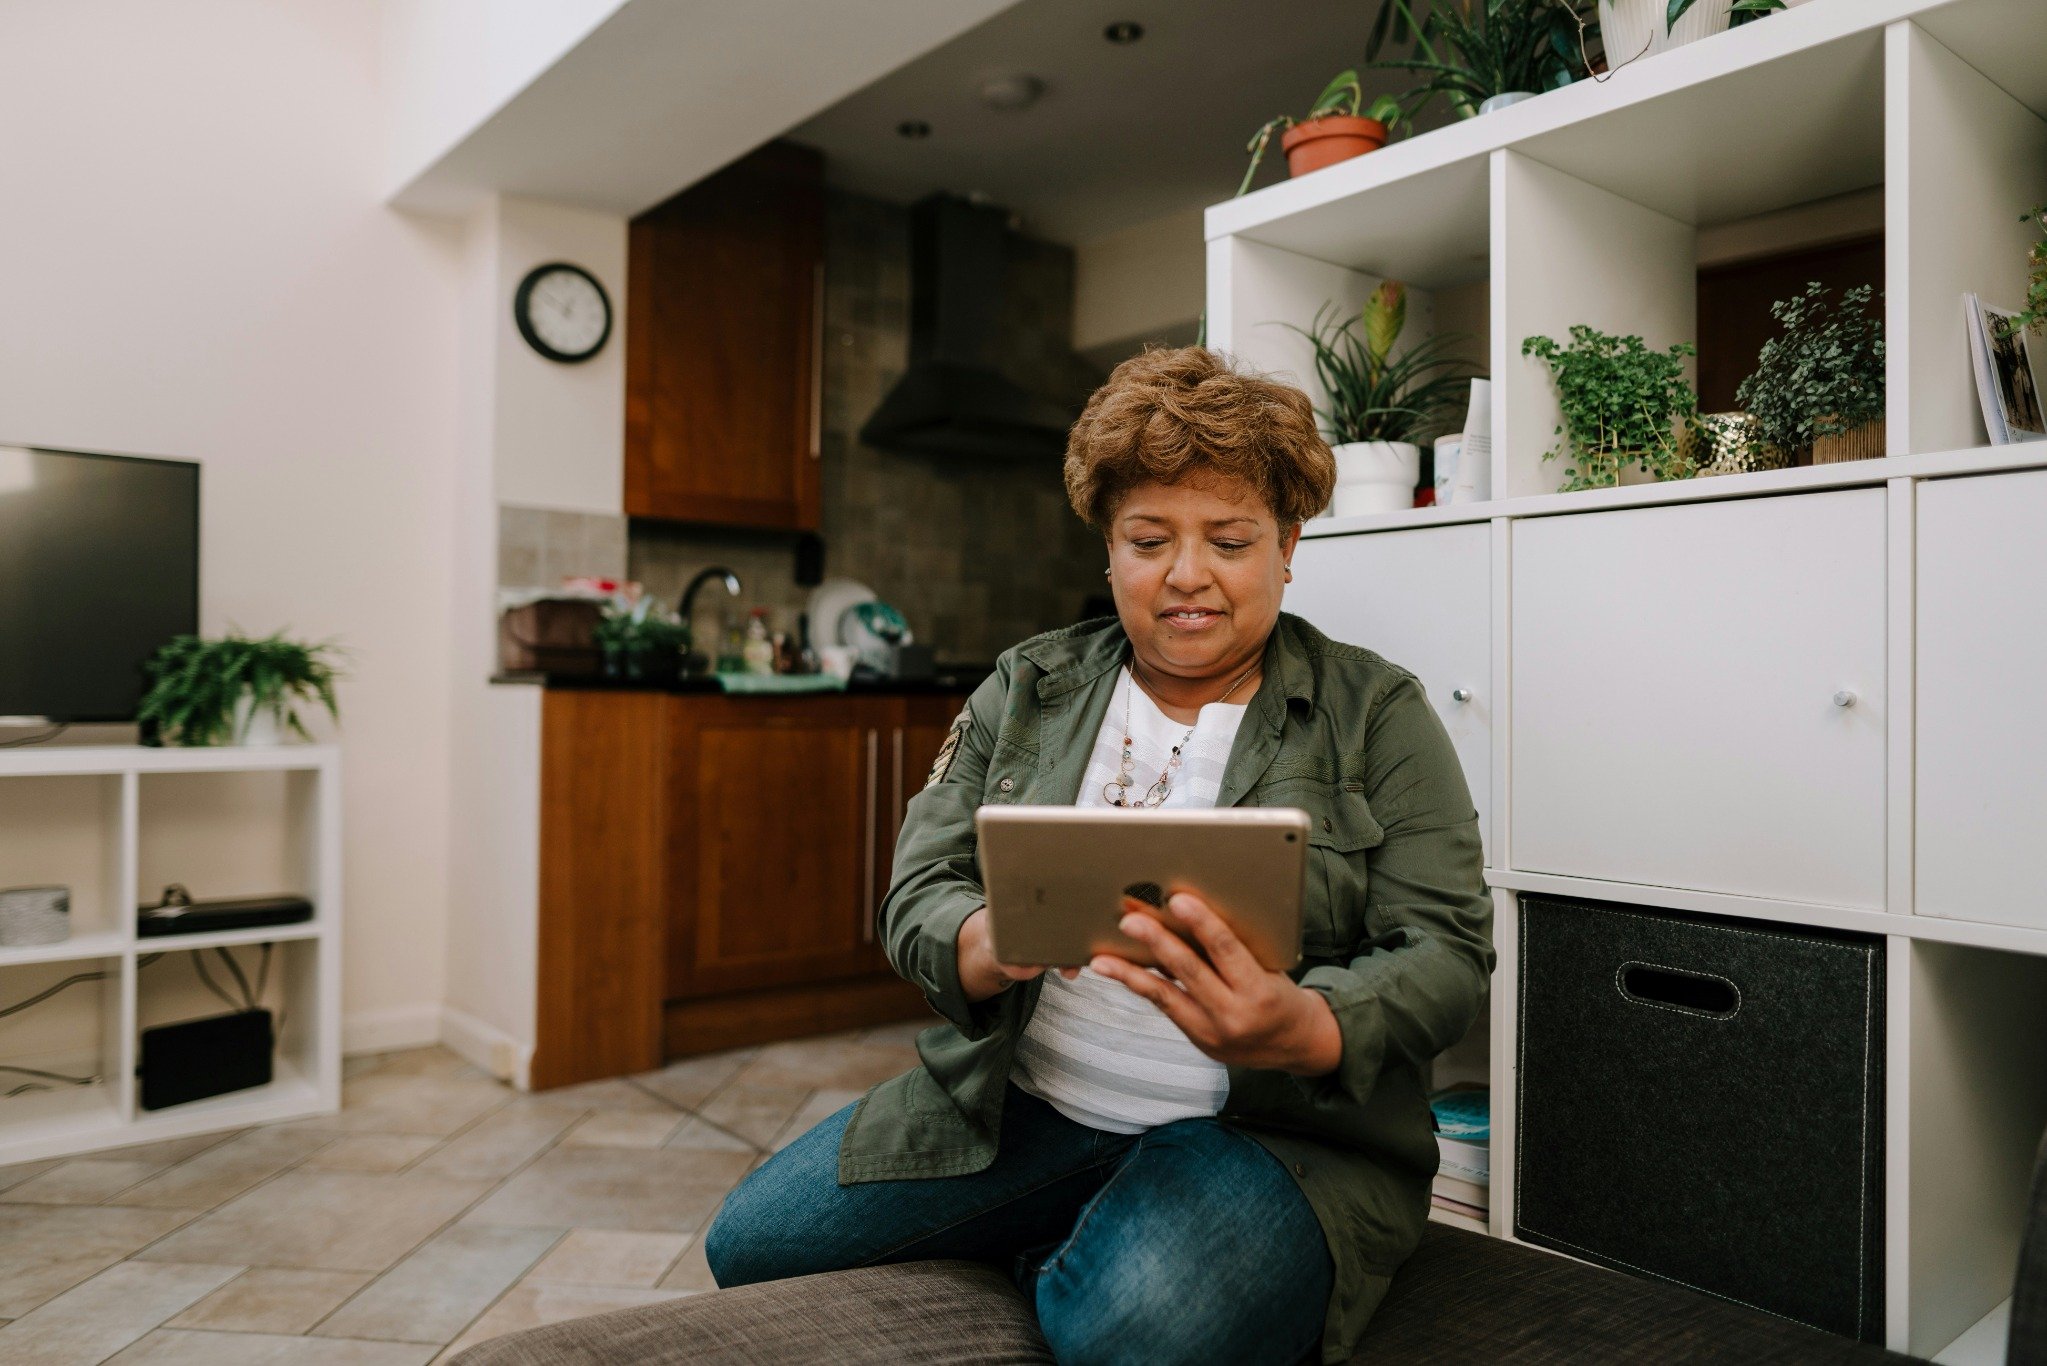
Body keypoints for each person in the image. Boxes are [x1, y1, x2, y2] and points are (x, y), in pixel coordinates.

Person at [703, 346, 1494, 1365]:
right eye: (1148, 538)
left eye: (1229, 538)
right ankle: (1078, 1230)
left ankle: (1080, 1255)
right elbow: (919, 891)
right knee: (751, 1242)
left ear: (1288, 546)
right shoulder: (1026, 688)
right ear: (1108, 550)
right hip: (1022, 1107)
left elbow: (1447, 951)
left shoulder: (1373, 712)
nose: (1186, 575)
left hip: (1266, 1138)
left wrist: (1303, 1022)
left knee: (1125, 1331)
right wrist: (987, 942)